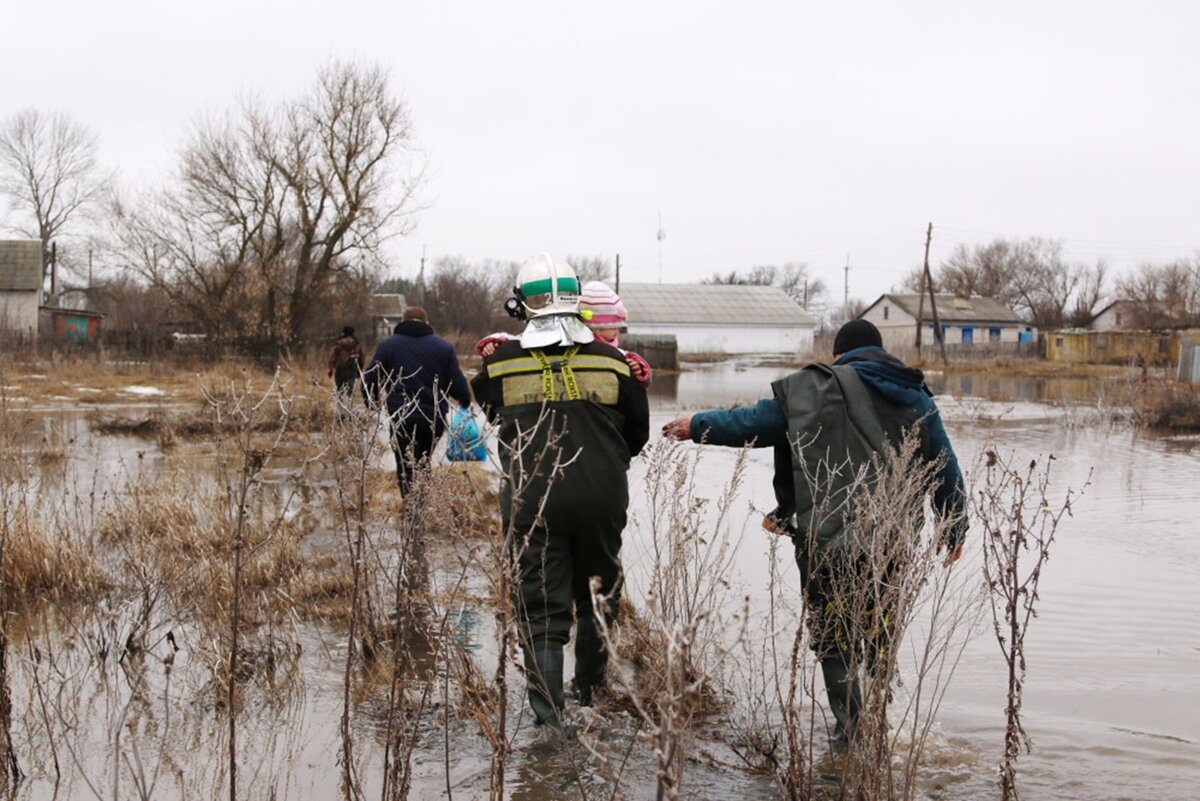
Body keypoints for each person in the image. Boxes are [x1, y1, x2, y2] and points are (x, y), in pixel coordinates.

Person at [662, 319, 967, 742]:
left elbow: (756, 423)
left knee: (834, 638)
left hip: (829, 540)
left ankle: (852, 736)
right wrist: (953, 527)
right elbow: (944, 464)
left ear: (839, 355)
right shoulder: (915, 394)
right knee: (879, 631)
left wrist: (697, 425)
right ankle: (888, 729)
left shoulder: (818, 388)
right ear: (880, 352)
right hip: (892, 541)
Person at [471, 253, 650, 728]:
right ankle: (589, 697)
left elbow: (490, 410)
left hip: (533, 500)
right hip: (602, 497)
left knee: (540, 607)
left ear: (523, 302)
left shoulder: (500, 363)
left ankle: (551, 723)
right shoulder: (618, 362)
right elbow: (637, 436)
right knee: (598, 593)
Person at [362, 306, 471, 495]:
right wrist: (465, 400)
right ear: (427, 323)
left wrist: (372, 402)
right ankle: (422, 505)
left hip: (401, 416)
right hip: (433, 418)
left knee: (405, 465)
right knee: (423, 461)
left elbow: (370, 377)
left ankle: (411, 508)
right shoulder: (443, 347)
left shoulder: (388, 346)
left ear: (402, 322)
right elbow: (456, 381)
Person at [474, 280, 652, 386]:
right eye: (613, 326)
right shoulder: (574, 342)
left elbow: (633, 364)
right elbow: (521, 340)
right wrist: (496, 341)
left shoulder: (620, 355)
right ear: (598, 326)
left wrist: (639, 368)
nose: (618, 331)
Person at [328, 326, 365, 406]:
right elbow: (361, 357)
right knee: (350, 390)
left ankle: (339, 405)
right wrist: (360, 369)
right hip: (352, 369)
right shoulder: (356, 343)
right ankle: (349, 406)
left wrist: (330, 368)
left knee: (339, 389)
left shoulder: (339, 343)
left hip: (340, 369)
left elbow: (333, 356)